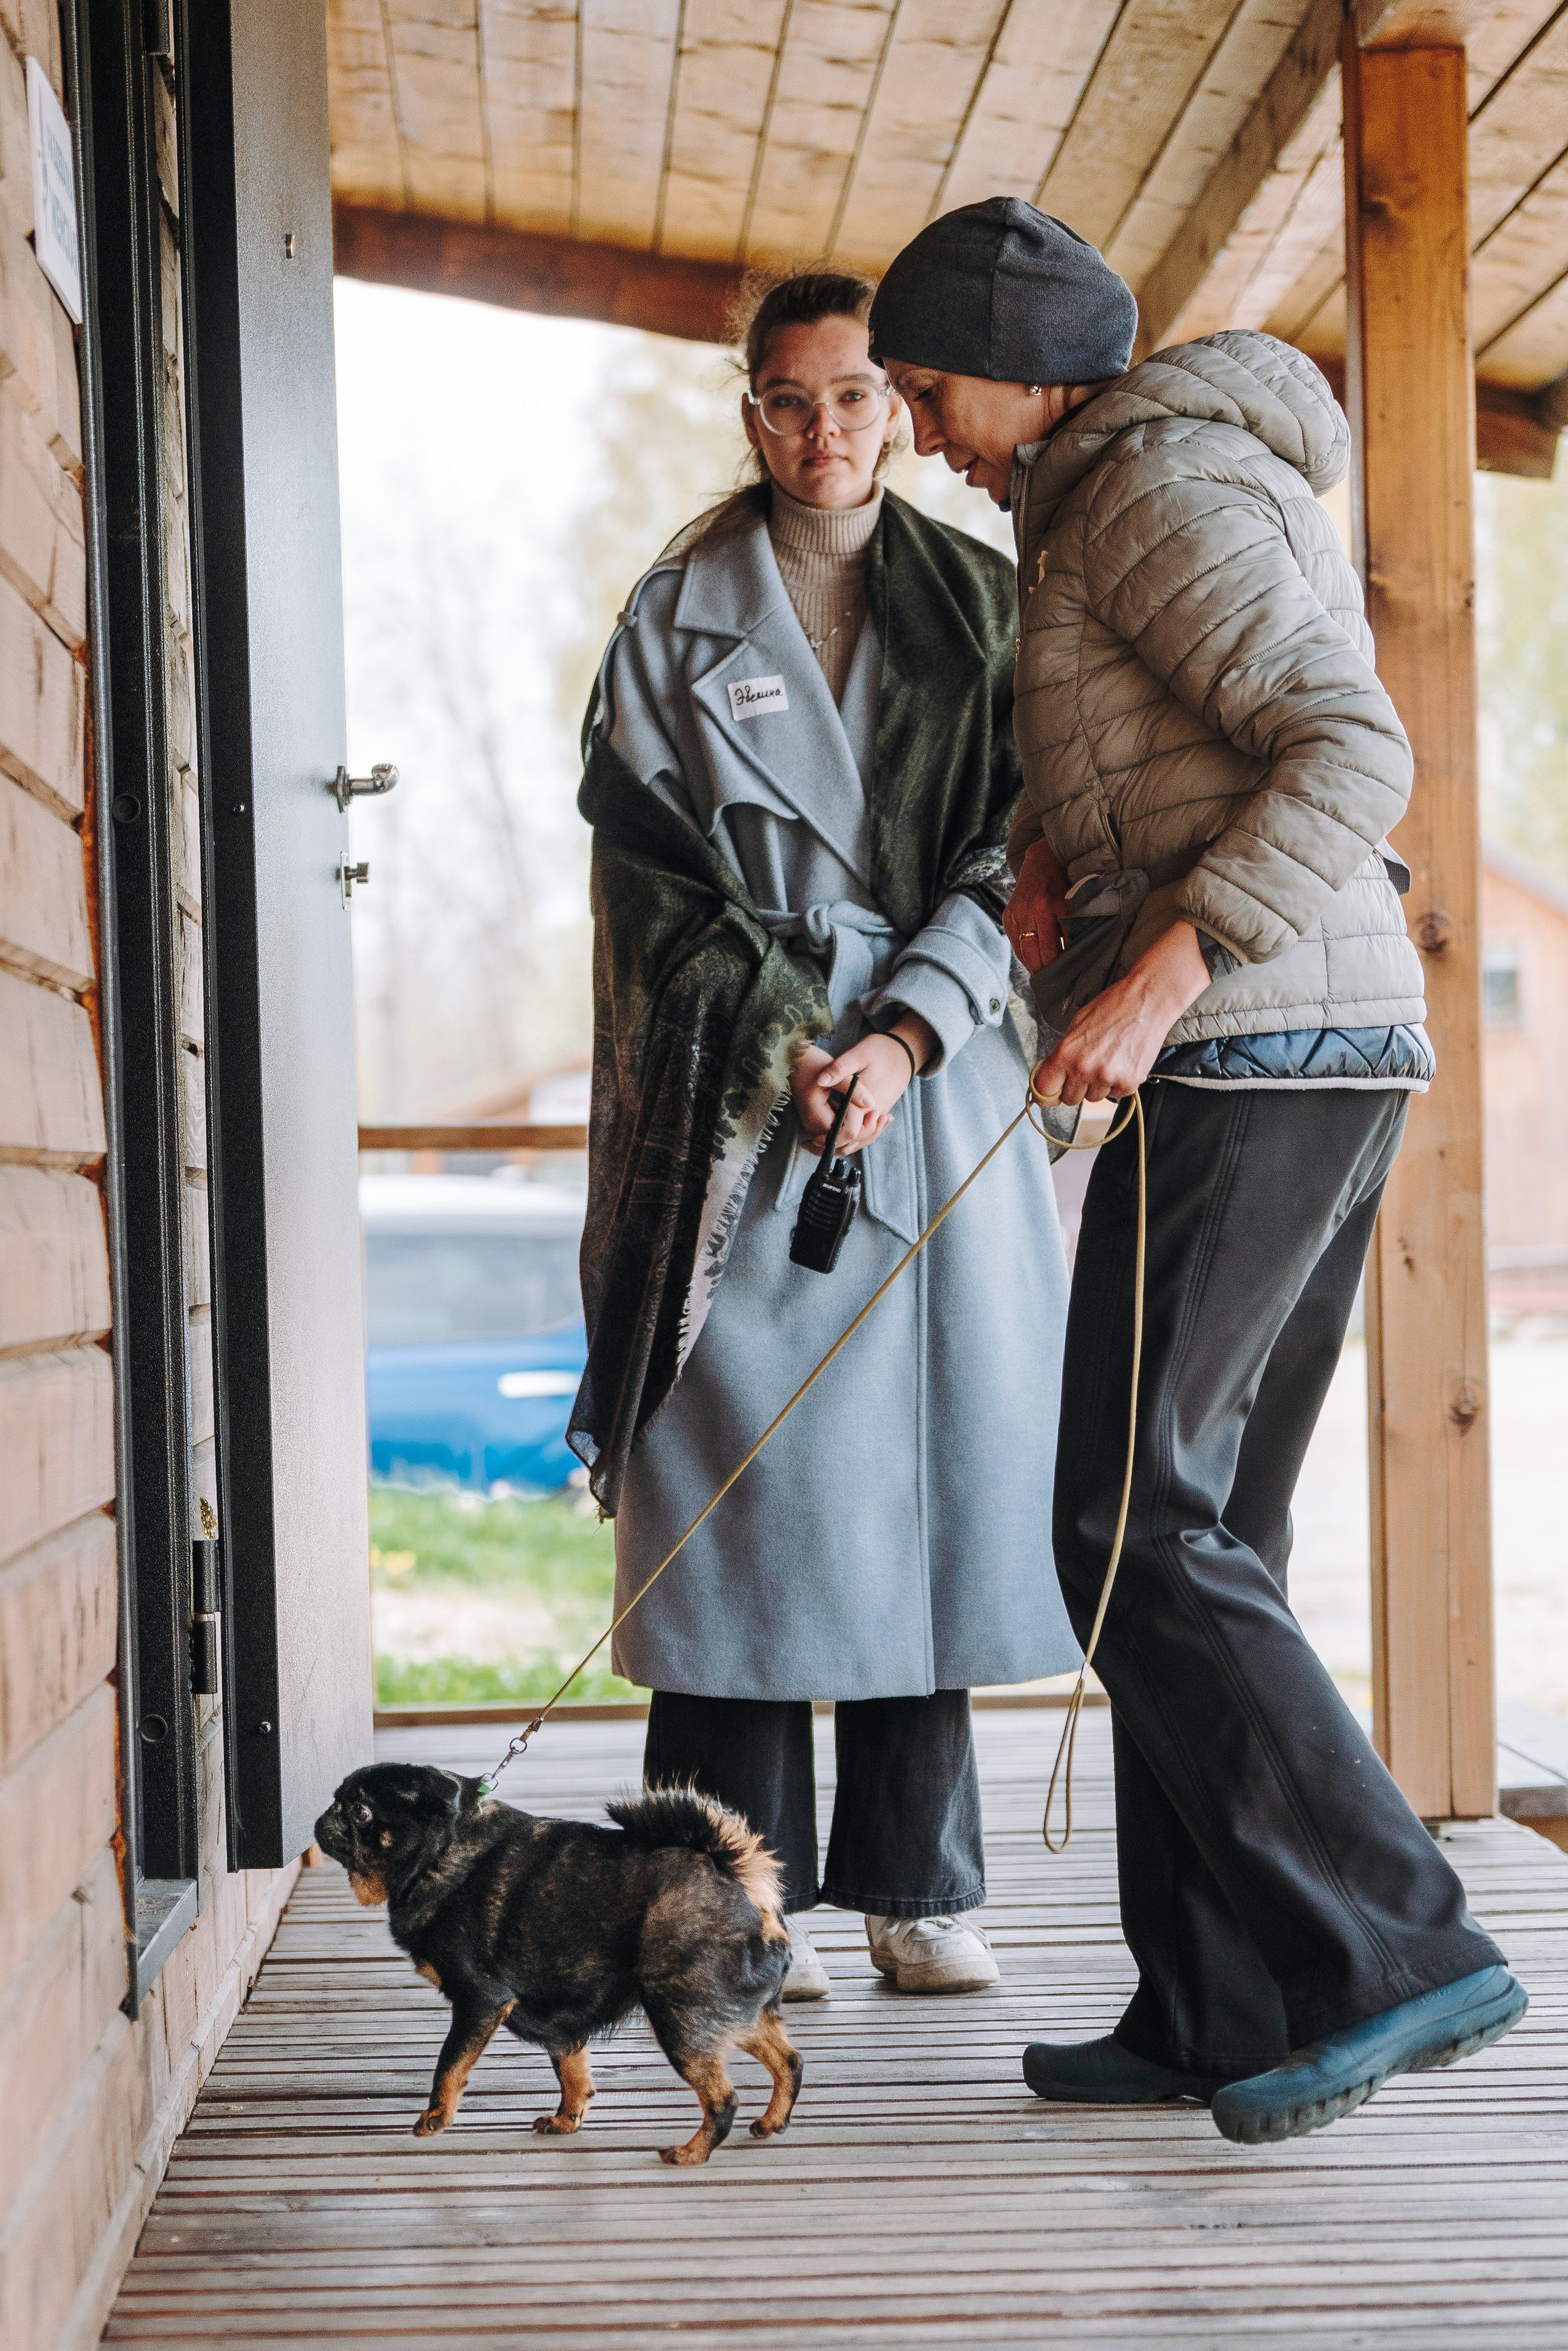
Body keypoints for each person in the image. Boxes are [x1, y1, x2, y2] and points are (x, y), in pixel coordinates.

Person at [867, 198, 1525, 2138]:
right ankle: (1222, 2003)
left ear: (1029, 359)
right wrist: (1068, 853)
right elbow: (1192, 751)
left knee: (1131, 1520)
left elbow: (1352, 751)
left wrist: (1157, 977)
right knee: (1199, 1519)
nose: (918, 431)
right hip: (1293, 1049)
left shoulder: (1148, 484)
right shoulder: (1099, 504)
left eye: (926, 386)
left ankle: (1401, 1948)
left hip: (1259, 1046)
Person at [568, 269, 1080, 2000]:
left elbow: (1032, 850)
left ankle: (923, 1892)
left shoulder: (990, 606)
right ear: (749, 414)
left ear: (903, 407)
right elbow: (644, 874)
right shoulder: (675, 615)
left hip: (939, 1080)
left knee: (920, 1489)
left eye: (857, 396)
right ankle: (713, 1913)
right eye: (788, 401)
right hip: (740, 1101)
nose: (824, 431)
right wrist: (790, 1037)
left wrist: (909, 1028)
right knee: (744, 1497)